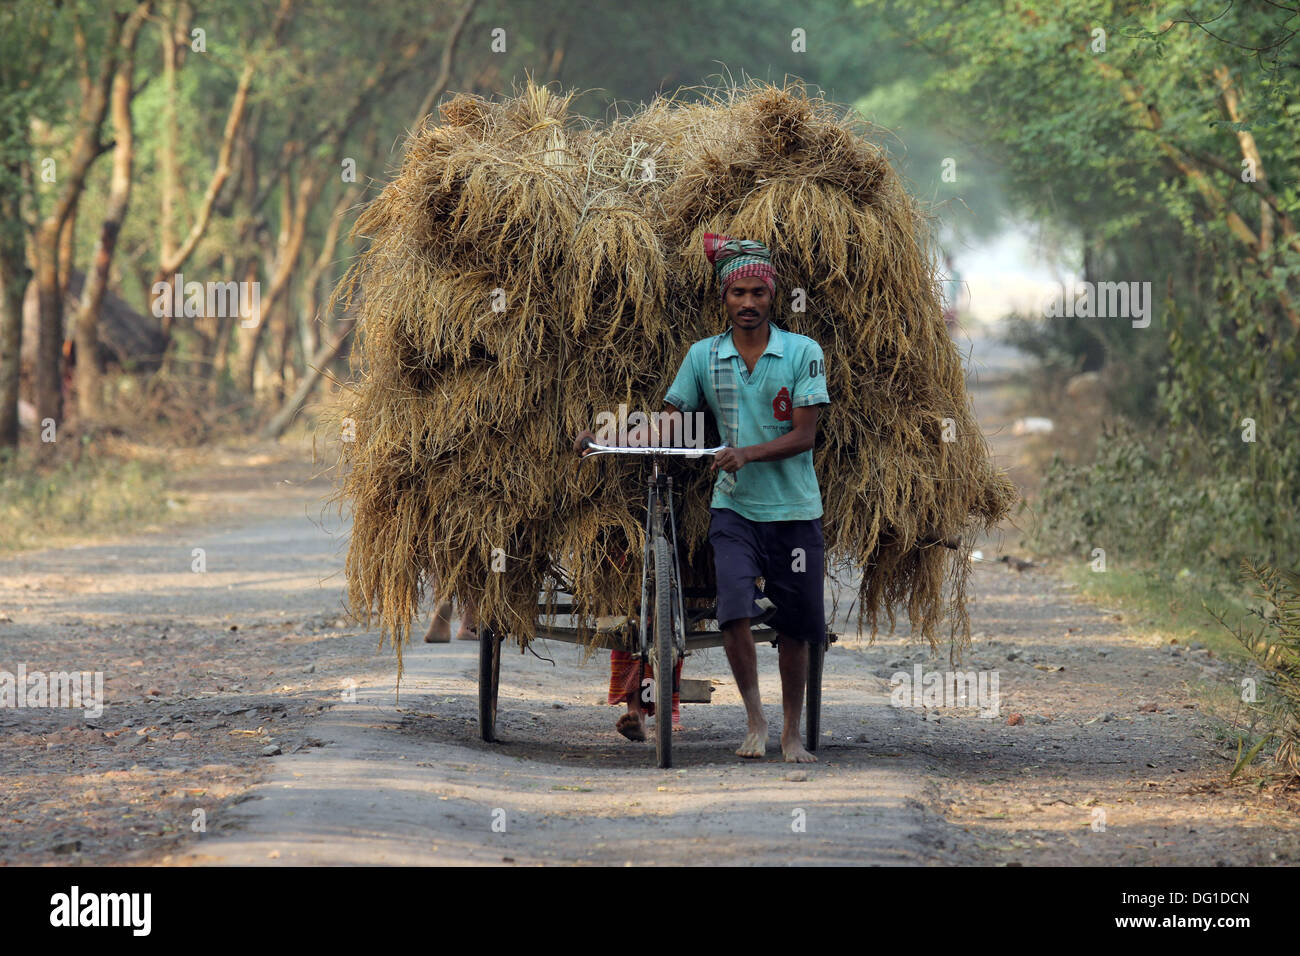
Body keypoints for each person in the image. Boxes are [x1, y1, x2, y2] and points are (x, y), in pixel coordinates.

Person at [575, 233, 830, 763]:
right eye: (738, 294)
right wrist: (613, 437)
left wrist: (746, 454)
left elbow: (805, 435)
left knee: (796, 627)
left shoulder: (803, 353)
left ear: (772, 296)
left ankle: (791, 733)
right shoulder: (703, 356)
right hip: (732, 507)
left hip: (795, 511)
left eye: (758, 293)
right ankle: (755, 721)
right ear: (724, 299)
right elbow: (672, 418)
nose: (748, 303)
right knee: (733, 611)